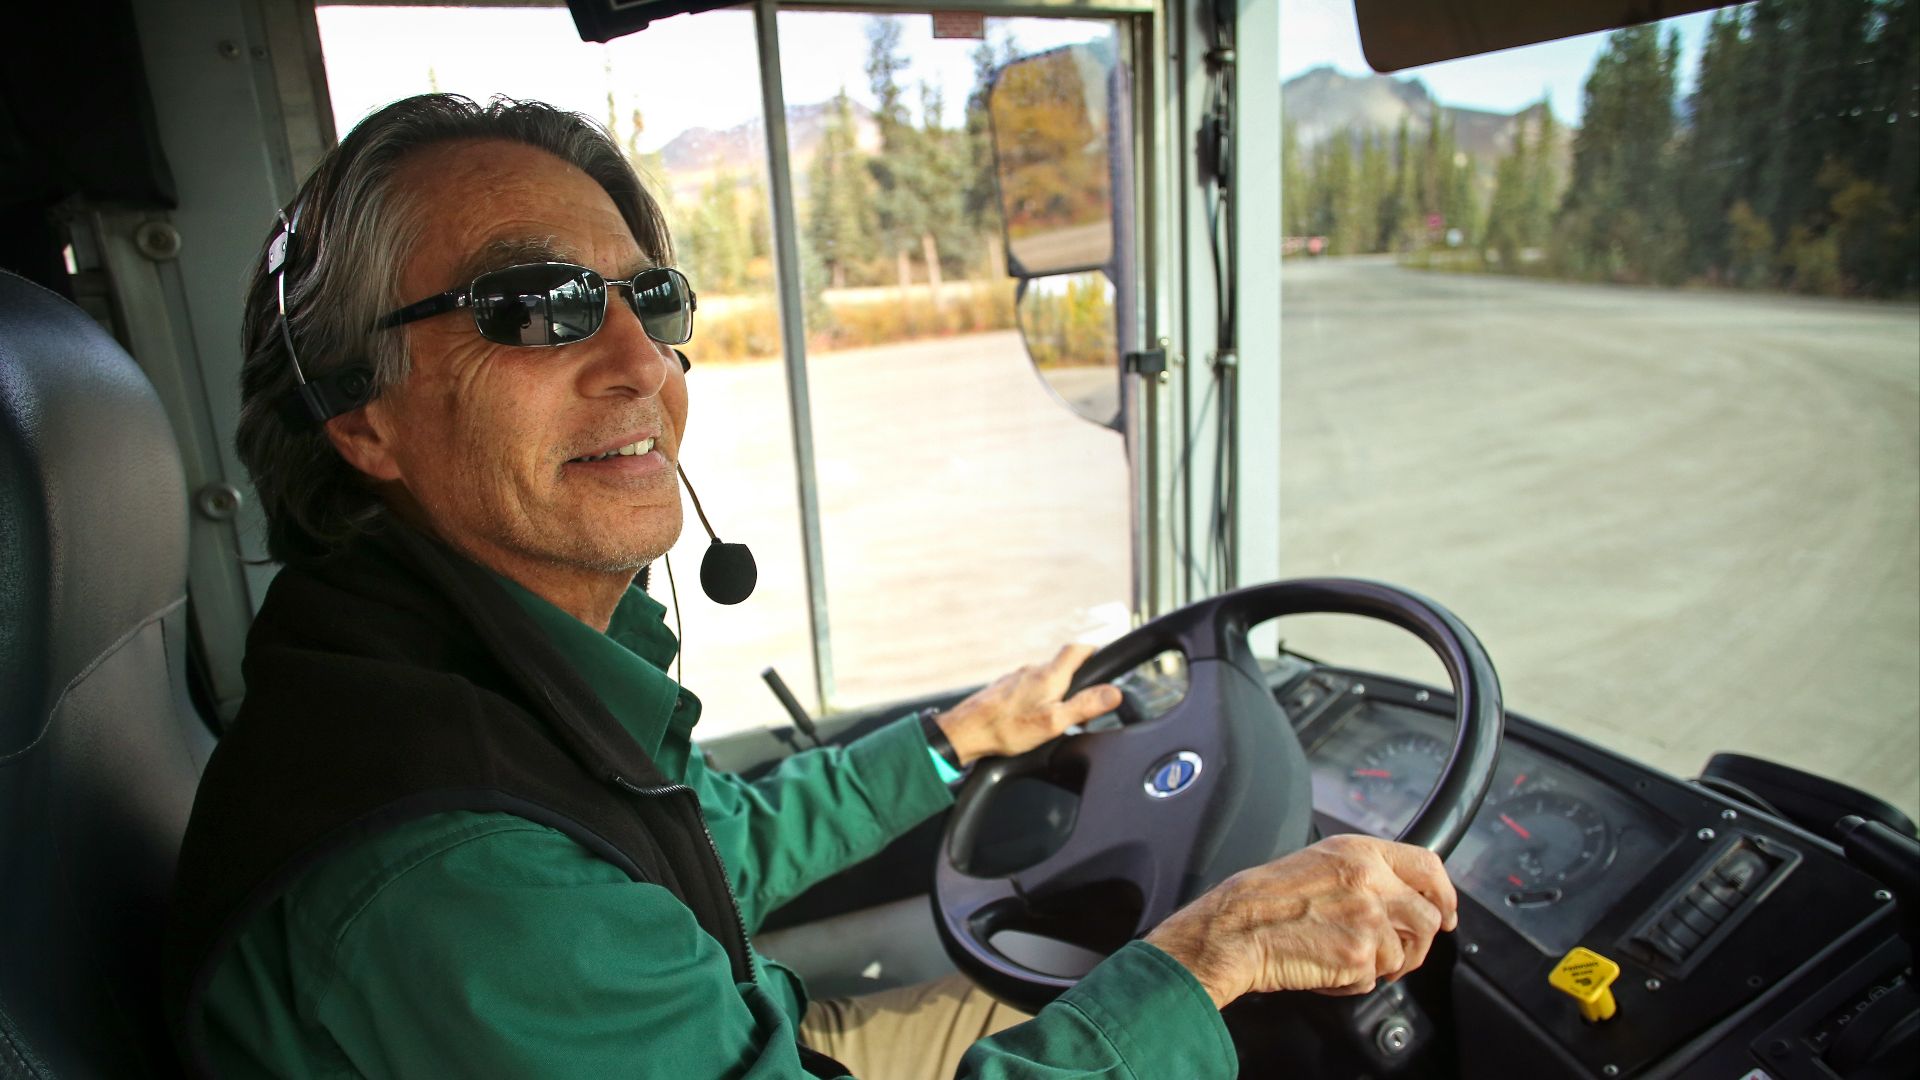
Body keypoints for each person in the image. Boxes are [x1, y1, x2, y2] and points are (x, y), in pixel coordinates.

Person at [164, 94, 1457, 1080]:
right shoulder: (460, 881)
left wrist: (961, 737)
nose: (643, 363)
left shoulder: (463, 681)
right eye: (537, 304)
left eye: (648, 298)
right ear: (357, 414)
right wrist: (1204, 954)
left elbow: (710, 846)